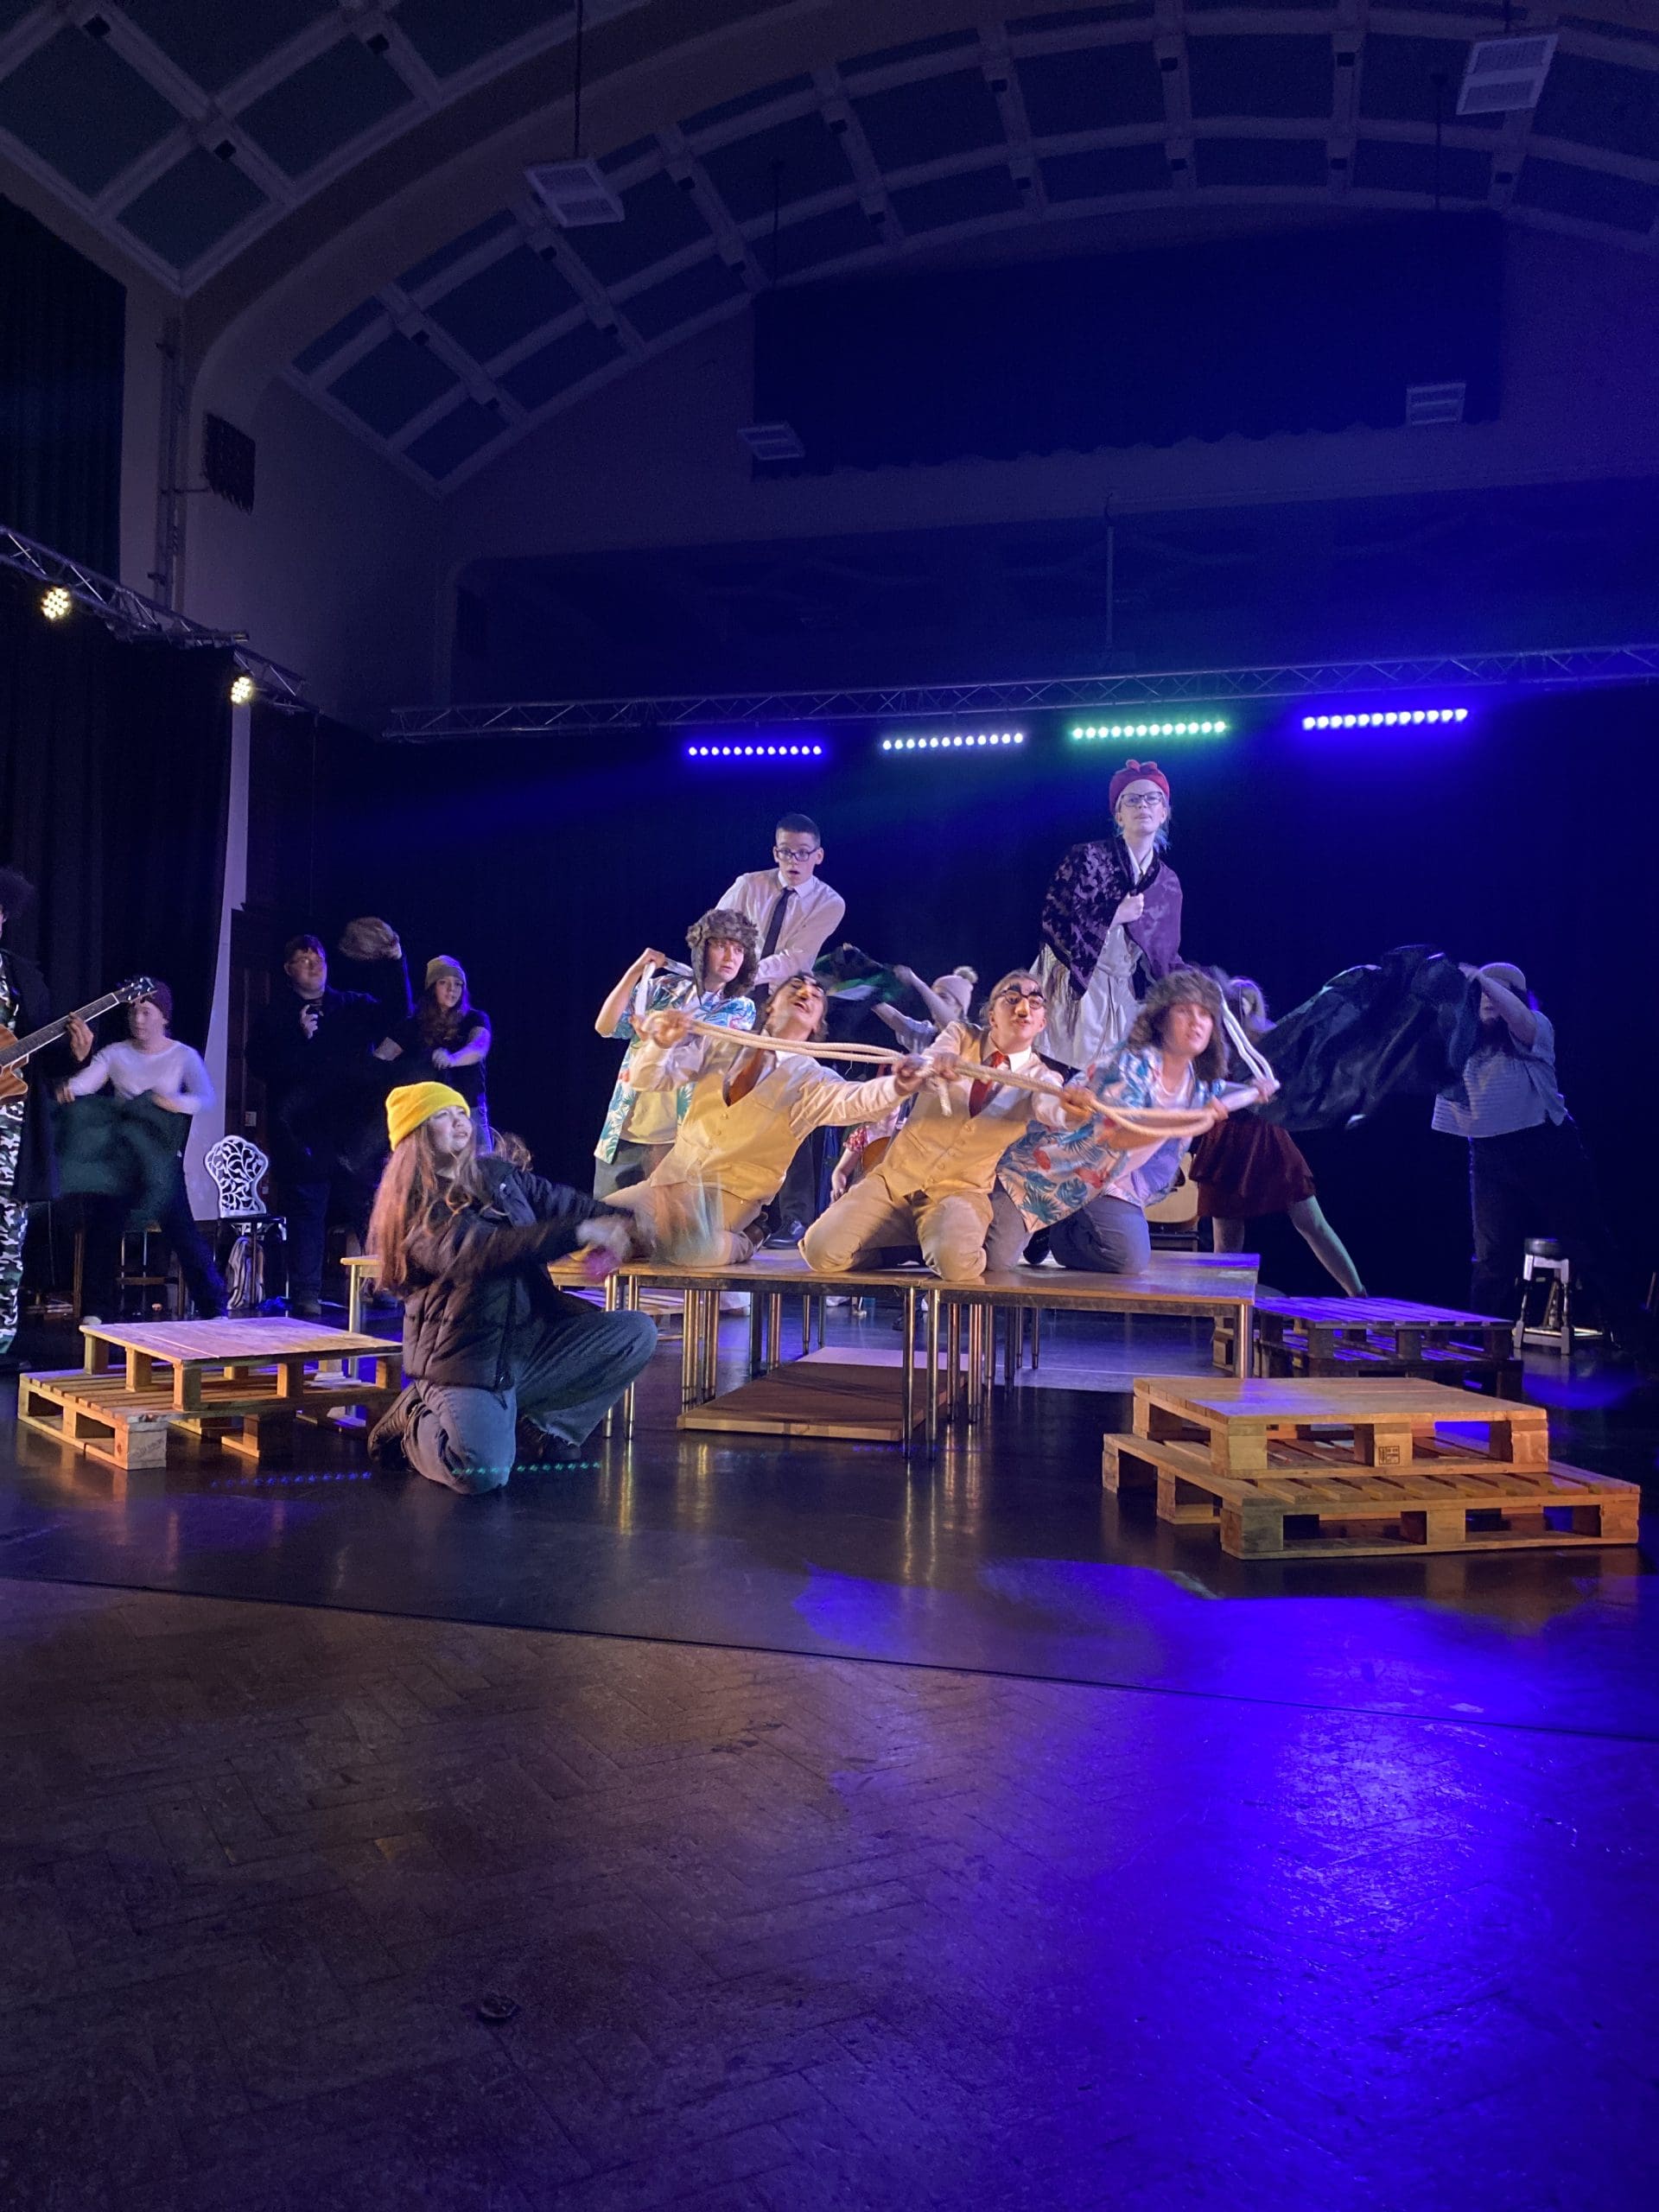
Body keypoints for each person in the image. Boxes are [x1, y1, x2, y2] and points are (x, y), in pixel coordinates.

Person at [365, 1083, 657, 1496]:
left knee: (635, 1332)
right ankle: (413, 1419)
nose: (459, 1121)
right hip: (468, 1360)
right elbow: (482, 1251)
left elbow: (568, 1204)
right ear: (416, 1135)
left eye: (461, 1112)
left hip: (526, 1345)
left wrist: (628, 1225)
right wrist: (581, 1233)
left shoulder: (498, 1179)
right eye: (442, 1115)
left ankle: (546, 1427)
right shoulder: (417, 1207)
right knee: (481, 1473)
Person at [610, 975, 925, 1266]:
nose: (806, 993)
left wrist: (899, 1085)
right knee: (591, 1221)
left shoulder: (812, 1080)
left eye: (816, 995)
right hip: (665, 1186)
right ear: (771, 1004)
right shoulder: (723, 1043)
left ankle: (746, 1240)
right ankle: (645, 1238)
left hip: (727, 1202)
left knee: (689, 1248)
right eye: (796, 987)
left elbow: (858, 1101)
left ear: (818, 1024)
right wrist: (661, 1045)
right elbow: (647, 1080)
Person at [803, 972, 1087, 1283]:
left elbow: (1051, 1105)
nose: (1024, 1008)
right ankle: (902, 1251)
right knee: (820, 1252)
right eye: (1012, 998)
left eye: (1035, 1002)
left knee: (957, 1265)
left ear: (1042, 1023)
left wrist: (1072, 1110)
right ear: (992, 1015)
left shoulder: (1042, 1077)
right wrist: (930, 1066)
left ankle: (933, 1246)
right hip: (894, 1180)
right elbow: (932, 1059)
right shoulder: (960, 1035)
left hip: (959, 1192)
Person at [997, 970, 1273, 1275]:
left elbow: (1218, 1093)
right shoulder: (1134, 1063)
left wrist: (1252, 1091)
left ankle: (1061, 1236)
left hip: (1112, 1180)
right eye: (1184, 1011)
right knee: (997, 1261)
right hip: (1060, 1169)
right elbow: (1117, 1137)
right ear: (1161, 1020)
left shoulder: (1196, 1076)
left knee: (1128, 1258)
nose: (1196, 1022)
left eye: (1205, 1014)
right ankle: (1049, 1222)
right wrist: (1196, 1118)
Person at [1432, 963, 1638, 1340]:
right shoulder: (1461, 1042)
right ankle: (1482, 1351)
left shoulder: (1536, 1027)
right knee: (1492, 1260)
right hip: (1488, 1151)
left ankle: (1639, 1341)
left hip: (1546, 1145)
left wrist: (1483, 979)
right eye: (1483, 993)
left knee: (1588, 1246)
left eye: (1502, 990)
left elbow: (1520, 1021)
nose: (1490, 997)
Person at [245, 932, 403, 1317]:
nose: (313, 964)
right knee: (307, 1213)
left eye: (318, 958)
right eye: (303, 959)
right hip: (303, 1133)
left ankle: (383, 1283)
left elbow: (399, 1012)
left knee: (370, 1210)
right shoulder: (274, 1014)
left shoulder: (351, 1005)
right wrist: (299, 1038)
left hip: (354, 1130)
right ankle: (306, 1294)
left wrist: (395, 960)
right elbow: (261, 1066)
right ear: (288, 969)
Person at [56, 981, 227, 1319]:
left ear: (164, 1017)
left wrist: (170, 1103)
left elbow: (205, 1097)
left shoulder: (182, 1055)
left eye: (146, 1012)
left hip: (160, 1161)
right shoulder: (115, 1053)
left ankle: (213, 1307)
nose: (138, 1019)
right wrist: (69, 1090)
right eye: (133, 1011)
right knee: (104, 1228)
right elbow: (87, 1082)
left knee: (182, 1232)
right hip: (120, 1160)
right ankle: (96, 1309)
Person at [1190, 977, 1366, 1295]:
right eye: (1233, 1002)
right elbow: (1202, 1090)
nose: (1239, 1008)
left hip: (1266, 1137)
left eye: (1246, 1002)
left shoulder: (1271, 1040)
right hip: (1226, 1141)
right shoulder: (1212, 1044)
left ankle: (1359, 1294)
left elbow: (1288, 1084)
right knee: (1227, 1243)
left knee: (1311, 1222)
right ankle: (1226, 1315)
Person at [592, 910, 758, 1198]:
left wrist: (657, 1033)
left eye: (739, 950)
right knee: (606, 1219)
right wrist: (636, 971)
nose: (731, 957)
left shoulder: (739, 1007)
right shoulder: (665, 988)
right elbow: (605, 1026)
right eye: (721, 945)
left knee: (662, 1224)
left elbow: (699, 1044)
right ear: (702, 949)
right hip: (627, 1129)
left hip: (678, 1140)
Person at [1034, 760, 1184, 1071]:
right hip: (1072, 985)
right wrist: (1113, 915)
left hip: (1121, 995)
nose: (1143, 805)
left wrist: (1199, 985)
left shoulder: (1166, 882)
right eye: (1132, 799)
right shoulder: (1086, 857)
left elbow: (1165, 957)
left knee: (1110, 1081)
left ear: (1164, 812)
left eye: (1152, 798)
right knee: (1055, 1077)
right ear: (1118, 814)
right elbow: (1054, 921)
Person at [0, 866, 80, 1366]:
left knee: (7, 1241)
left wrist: (75, 1053)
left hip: (12, 1132)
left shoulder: (22, 977)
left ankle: (0, 1342)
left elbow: (44, 1058)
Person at [715, 813, 845, 995]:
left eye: (803, 853)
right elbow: (715, 931)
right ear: (776, 854)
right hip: (731, 984)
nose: (793, 860)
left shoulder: (829, 903)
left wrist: (744, 975)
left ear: (818, 856)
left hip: (783, 995)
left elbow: (795, 958)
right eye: (786, 852)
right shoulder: (749, 884)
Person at [382, 957, 493, 1141]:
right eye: (444, 982)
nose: (452, 989)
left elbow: (479, 1047)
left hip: (470, 1110)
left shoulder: (475, 1018)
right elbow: (381, 1057)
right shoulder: (414, 1024)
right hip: (428, 1114)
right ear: (432, 987)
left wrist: (452, 1059)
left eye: (457, 984)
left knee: (482, 1158)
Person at [874, 965, 978, 1051]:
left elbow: (953, 1026)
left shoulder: (970, 1037)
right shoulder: (927, 1036)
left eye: (943, 997)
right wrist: (871, 993)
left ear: (959, 1008)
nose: (934, 1002)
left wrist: (915, 980)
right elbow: (898, 1021)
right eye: (934, 996)